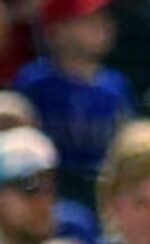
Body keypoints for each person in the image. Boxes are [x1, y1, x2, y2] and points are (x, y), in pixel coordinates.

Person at [17, 0, 132, 212]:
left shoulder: (116, 86)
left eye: (104, 18)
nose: (103, 25)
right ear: (55, 31)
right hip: (50, 197)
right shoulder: (33, 84)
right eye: (87, 20)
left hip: (102, 197)